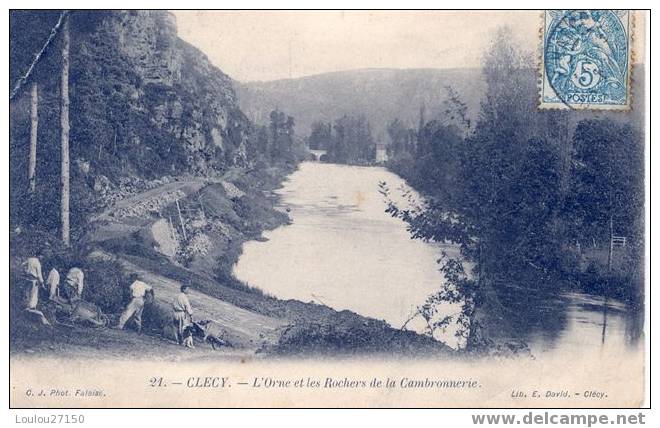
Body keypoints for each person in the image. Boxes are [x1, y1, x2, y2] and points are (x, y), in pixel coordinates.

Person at [172, 284, 194, 348]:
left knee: (176, 327)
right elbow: (187, 306)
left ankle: (177, 340)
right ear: (183, 290)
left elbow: (173, 304)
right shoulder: (184, 297)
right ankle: (183, 342)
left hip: (175, 313)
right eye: (187, 289)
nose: (188, 291)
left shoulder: (176, 296)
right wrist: (191, 314)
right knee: (183, 327)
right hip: (181, 313)